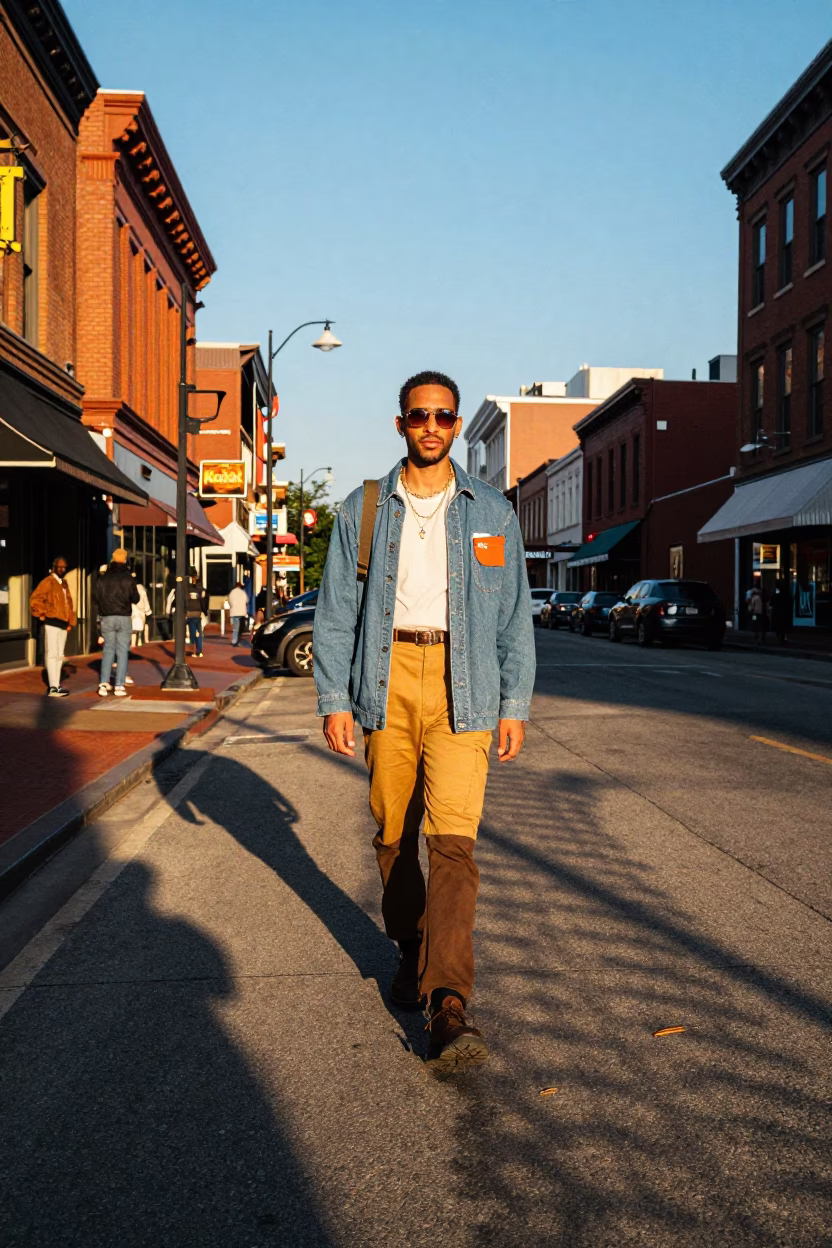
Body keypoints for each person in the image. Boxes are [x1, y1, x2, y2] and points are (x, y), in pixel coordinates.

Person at [314, 369, 535, 1068]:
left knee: (453, 845)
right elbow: (336, 614)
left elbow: (513, 617)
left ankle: (449, 1002)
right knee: (391, 833)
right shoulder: (366, 508)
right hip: (388, 681)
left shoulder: (492, 513)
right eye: (419, 417)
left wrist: (514, 704)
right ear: (401, 423)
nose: (432, 427)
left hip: (462, 687)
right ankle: (410, 950)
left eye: (444, 416)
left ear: (456, 422)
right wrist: (334, 700)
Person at [29, 556, 76, 697]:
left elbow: (69, 604)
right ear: (54, 567)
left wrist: (70, 622)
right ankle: (53, 687)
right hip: (52, 623)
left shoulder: (64, 583)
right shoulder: (48, 581)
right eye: (59, 566)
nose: (62, 569)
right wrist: (43, 614)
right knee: (52, 654)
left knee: (59, 655)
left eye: (64, 567)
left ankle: (57, 685)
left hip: (63, 624)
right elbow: (35, 600)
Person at [94, 549, 139, 696]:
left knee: (108, 650)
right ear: (125, 560)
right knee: (122, 651)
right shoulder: (129, 578)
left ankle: (104, 683)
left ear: (112, 560)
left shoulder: (103, 577)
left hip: (107, 617)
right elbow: (135, 598)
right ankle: (119, 684)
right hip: (124, 617)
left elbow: (96, 596)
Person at [185, 568, 207, 658]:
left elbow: (185, 600)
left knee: (193, 633)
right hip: (198, 613)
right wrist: (204, 611)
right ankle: (199, 650)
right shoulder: (200, 589)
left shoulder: (187, 589)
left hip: (191, 613)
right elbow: (203, 601)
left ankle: (195, 650)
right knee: (198, 633)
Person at [227, 580, 249, 645]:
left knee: (235, 628)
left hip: (234, 612)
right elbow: (247, 601)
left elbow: (229, 602)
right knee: (240, 629)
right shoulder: (243, 592)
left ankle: (234, 641)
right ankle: (237, 640)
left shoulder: (232, 592)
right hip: (242, 613)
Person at [131, 579, 151, 647]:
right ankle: (144, 640)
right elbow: (146, 601)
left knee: (134, 629)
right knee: (142, 626)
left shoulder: (131, 589)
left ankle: (133, 644)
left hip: (133, 610)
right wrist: (148, 611)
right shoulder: (143, 590)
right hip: (141, 611)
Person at [770, 580, 790, 645]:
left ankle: (779, 637)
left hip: (777, 611)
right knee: (782, 624)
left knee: (778, 625)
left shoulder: (777, 593)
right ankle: (782, 636)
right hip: (783, 611)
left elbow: (772, 601)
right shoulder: (784, 593)